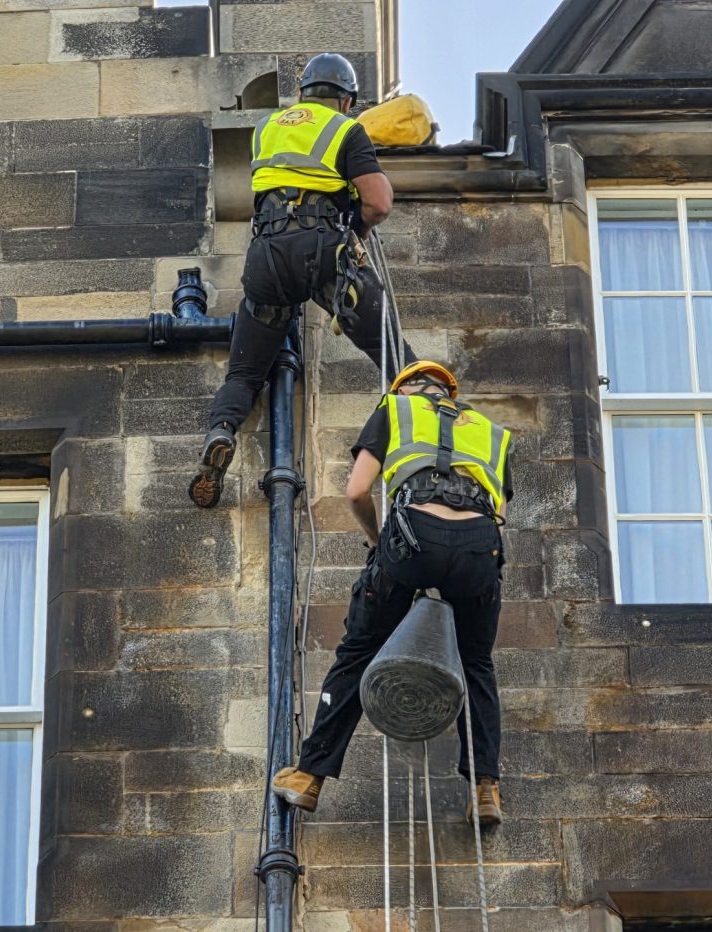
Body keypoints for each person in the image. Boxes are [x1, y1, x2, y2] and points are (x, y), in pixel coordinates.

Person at [270, 361, 513, 825]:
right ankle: (486, 789)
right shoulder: (492, 432)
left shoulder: (395, 410)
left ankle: (309, 776)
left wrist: (382, 545)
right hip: (480, 549)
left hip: (414, 538)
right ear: (450, 393)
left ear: (406, 390)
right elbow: (496, 508)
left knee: (359, 650)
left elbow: (358, 491)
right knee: (477, 663)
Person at [189, 52, 417, 509]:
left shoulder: (266, 129)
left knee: (246, 371)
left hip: (266, 257)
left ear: (302, 92)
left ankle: (221, 432)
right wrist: (356, 230)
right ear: (346, 99)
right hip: (320, 253)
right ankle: (427, 439)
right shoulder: (345, 129)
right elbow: (379, 202)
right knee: (395, 356)